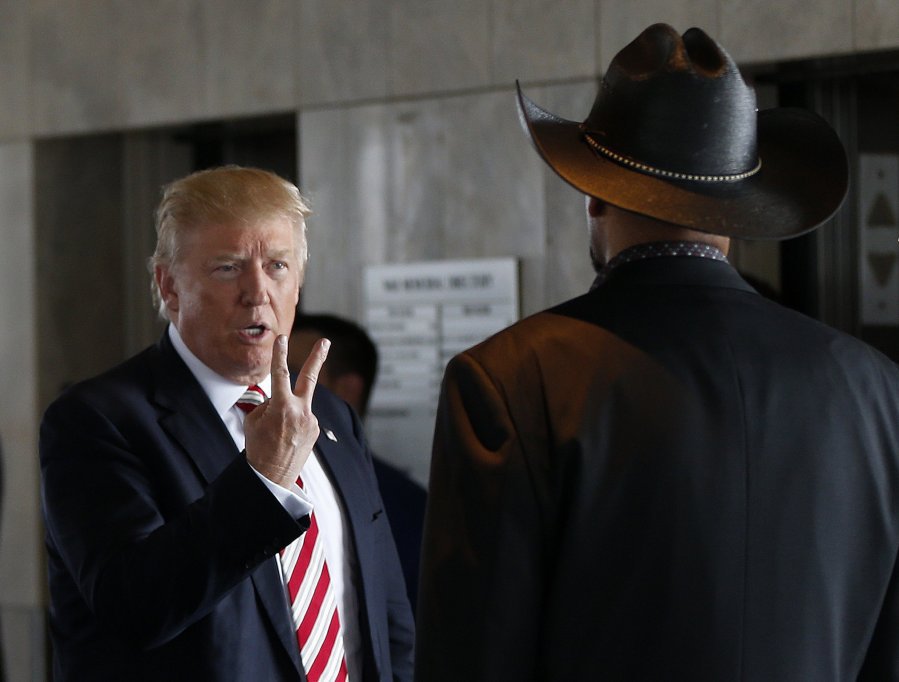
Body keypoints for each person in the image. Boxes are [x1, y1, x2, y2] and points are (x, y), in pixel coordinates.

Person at [415, 24, 899, 681]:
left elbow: (475, 651)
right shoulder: (870, 386)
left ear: (592, 193)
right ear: (740, 208)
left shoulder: (509, 378)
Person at [40, 166, 414, 681]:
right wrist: (263, 479)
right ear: (169, 286)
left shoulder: (330, 415)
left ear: (299, 283)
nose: (257, 292)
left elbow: (386, 614)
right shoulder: (96, 420)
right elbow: (135, 607)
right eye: (227, 268)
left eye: (278, 266)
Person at [289, 313, 427, 615]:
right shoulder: (257, 482)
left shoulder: (408, 508)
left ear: (346, 390)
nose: (279, 389)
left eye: (295, 374)